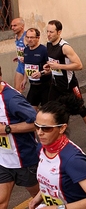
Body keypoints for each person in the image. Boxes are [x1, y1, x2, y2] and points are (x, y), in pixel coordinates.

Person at [28, 101, 86, 209]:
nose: (39, 133)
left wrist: (59, 208)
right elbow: (49, 184)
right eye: (37, 126)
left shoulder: (73, 159)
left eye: (46, 128)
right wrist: (37, 198)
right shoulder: (42, 148)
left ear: (62, 128)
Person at [44, 20, 86, 147]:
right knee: (51, 111)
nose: (48, 34)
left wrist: (58, 66)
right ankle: (57, 138)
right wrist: (49, 68)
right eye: (47, 31)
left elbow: (79, 65)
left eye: (51, 32)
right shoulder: (49, 44)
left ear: (59, 32)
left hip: (69, 86)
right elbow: (54, 64)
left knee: (80, 109)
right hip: (56, 85)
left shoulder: (65, 47)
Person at [0, 65, 39, 209]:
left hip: (25, 161)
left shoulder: (11, 99)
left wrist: (7, 129)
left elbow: (38, 122)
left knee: (41, 200)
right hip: (3, 161)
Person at [21, 28, 52, 111]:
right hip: (33, 86)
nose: (29, 40)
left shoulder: (44, 50)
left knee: (46, 111)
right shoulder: (26, 50)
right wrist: (24, 79)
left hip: (45, 86)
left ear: (38, 38)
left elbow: (52, 68)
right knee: (30, 111)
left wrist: (41, 73)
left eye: (32, 37)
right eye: (27, 37)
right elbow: (26, 65)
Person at [11, 17, 27, 92]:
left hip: (28, 65)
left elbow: (32, 51)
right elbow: (22, 50)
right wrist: (18, 56)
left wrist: (26, 58)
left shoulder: (26, 37)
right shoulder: (17, 36)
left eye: (15, 26)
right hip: (20, 65)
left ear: (22, 26)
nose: (12, 28)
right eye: (11, 26)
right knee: (17, 89)